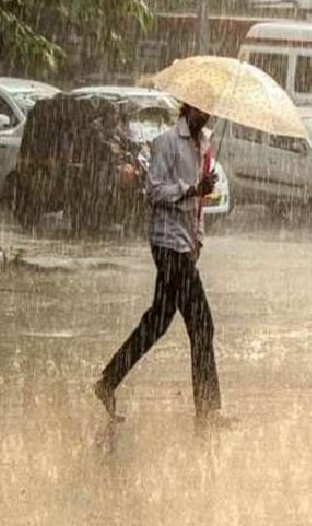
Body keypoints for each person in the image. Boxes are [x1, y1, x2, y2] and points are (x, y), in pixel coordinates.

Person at [94, 102, 225, 427]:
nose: (205, 118)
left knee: (157, 322)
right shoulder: (166, 143)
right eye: (200, 111)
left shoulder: (203, 146)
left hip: (185, 244)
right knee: (202, 325)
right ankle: (207, 411)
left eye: (209, 113)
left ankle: (108, 381)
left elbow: (197, 207)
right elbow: (153, 191)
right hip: (167, 244)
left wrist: (198, 238)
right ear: (187, 109)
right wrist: (192, 189)